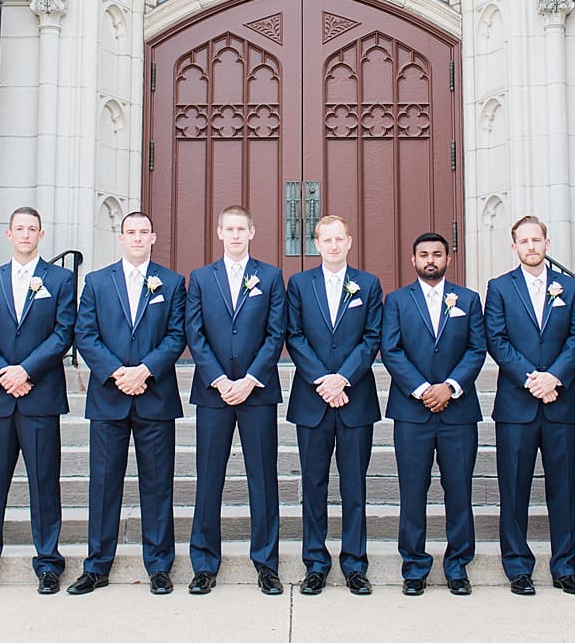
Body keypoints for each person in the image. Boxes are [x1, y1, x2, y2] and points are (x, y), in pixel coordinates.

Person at [0, 207, 76, 595]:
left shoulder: (59, 279)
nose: (26, 234)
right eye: (19, 229)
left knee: (45, 483)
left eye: (32, 229)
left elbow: (63, 334)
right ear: (8, 234)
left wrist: (25, 371)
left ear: (41, 235)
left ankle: (48, 562)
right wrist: (4, 373)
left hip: (40, 395)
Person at [70, 211, 187, 596]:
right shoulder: (96, 282)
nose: (137, 238)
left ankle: (159, 566)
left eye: (143, 232)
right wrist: (118, 372)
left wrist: (145, 371)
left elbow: (176, 335)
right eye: (130, 232)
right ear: (120, 238)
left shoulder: (171, 283)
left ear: (154, 237)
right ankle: (97, 565)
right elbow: (85, 334)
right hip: (109, 397)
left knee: (157, 485)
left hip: (154, 396)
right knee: (103, 485)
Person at [184, 205, 287, 595]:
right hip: (213, 394)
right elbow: (195, 334)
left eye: (242, 229)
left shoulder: (271, 276)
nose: (236, 235)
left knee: (263, 479)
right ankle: (205, 564)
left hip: (257, 393)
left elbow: (275, 333)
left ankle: (266, 563)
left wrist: (249, 379)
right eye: (229, 229)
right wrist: (219, 380)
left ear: (253, 231)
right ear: (219, 232)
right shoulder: (200, 278)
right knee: (209, 479)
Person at [484, 215, 575, 596]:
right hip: (517, 404)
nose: (531, 246)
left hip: (560, 403)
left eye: (536, 240)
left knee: (563, 488)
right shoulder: (499, 288)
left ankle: (565, 566)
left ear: (547, 243)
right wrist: (531, 378)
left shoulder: (571, 289)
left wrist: (554, 378)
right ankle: (518, 567)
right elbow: (496, 338)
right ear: (514, 247)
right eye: (524, 241)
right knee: (514, 489)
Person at [380, 231, 486, 597]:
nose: (430, 260)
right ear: (413, 260)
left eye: (437, 254)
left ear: (447, 259)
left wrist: (450, 387)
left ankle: (458, 566)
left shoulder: (469, 300)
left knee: (459, 490)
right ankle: (414, 566)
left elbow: (476, 349)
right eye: (423, 254)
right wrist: (424, 389)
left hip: (458, 412)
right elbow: (390, 350)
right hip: (412, 412)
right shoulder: (395, 301)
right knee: (413, 490)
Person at [285, 214, 383, 596]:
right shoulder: (299, 284)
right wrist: (324, 381)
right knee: (314, 484)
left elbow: (372, 337)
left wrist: (343, 378)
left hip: (355, 397)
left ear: (349, 241)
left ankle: (355, 564)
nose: (333, 245)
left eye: (339, 239)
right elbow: (294, 336)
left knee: (354, 485)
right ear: (317, 243)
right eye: (326, 240)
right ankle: (316, 563)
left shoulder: (368, 285)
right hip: (312, 399)